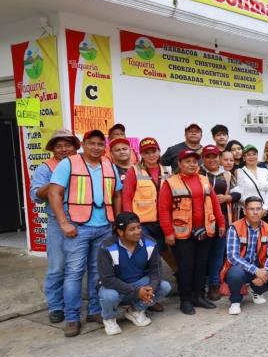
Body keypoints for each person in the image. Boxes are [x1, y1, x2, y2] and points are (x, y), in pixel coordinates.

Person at [48, 129, 123, 337]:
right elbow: (54, 193)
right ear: (83, 144)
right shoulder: (69, 163)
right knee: (73, 273)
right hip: (77, 228)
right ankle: (72, 318)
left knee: (98, 272)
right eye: (92, 143)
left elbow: (117, 194)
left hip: (104, 227)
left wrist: (117, 222)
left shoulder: (109, 164)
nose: (96, 147)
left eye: (100, 144)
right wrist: (64, 223)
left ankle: (94, 311)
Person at [159, 149, 226, 315]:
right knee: (186, 266)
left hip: (204, 229)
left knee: (202, 265)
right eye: (187, 161)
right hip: (183, 233)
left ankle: (199, 296)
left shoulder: (204, 180)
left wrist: (221, 222)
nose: (192, 164)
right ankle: (186, 300)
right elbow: (163, 209)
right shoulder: (170, 183)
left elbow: (215, 204)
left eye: (194, 161)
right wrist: (168, 232)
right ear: (179, 164)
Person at [30, 128, 80, 324]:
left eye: (68, 145)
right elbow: (35, 195)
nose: (64, 149)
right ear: (52, 149)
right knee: (57, 267)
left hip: (82, 221)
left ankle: (73, 304)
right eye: (59, 146)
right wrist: (55, 182)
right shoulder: (45, 168)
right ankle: (56, 306)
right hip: (56, 224)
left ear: (75, 147)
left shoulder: (81, 164)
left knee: (78, 267)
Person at [121, 137, 174, 312]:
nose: (151, 155)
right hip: (143, 223)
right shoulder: (133, 171)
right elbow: (127, 197)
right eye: (147, 152)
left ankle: (153, 294)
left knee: (159, 259)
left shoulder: (167, 170)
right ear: (141, 154)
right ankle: (146, 295)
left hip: (163, 221)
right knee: (147, 261)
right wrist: (130, 224)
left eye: (154, 151)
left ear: (159, 152)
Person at [96, 212, 172, 335]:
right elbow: (107, 279)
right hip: (116, 287)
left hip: (138, 283)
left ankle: (136, 310)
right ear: (120, 232)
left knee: (164, 286)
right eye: (132, 229)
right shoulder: (107, 247)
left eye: (138, 227)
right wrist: (136, 292)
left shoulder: (149, 243)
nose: (138, 232)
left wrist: (150, 288)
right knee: (109, 295)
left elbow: (155, 271)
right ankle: (109, 318)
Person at [221, 196, 268, 314]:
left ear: (262, 211)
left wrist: (265, 272)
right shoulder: (235, 228)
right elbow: (232, 256)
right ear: (244, 211)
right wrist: (256, 271)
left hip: (261, 266)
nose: (255, 212)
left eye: (258, 208)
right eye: (251, 209)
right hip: (242, 268)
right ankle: (235, 301)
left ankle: (257, 290)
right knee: (234, 274)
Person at [201, 145, 241, 300]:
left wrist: (227, 197)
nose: (212, 160)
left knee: (218, 254)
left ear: (219, 158)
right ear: (203, 158)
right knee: (203, 255)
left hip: (223, 220)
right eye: (208, 156)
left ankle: (214, 285)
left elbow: (238, 192)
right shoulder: (198, 174)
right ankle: (199, 287)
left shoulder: (227, 175)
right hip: (202, 221)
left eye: (215, 156)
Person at [235, 144, 268, 217]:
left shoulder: (264, 171)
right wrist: (254, 208)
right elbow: (240, 194)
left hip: (263, 211)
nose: (251, 157)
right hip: (247, 211)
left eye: (254, 154)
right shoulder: (239, 172)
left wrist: (265, 207)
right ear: (244, 157)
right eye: (248, 155)